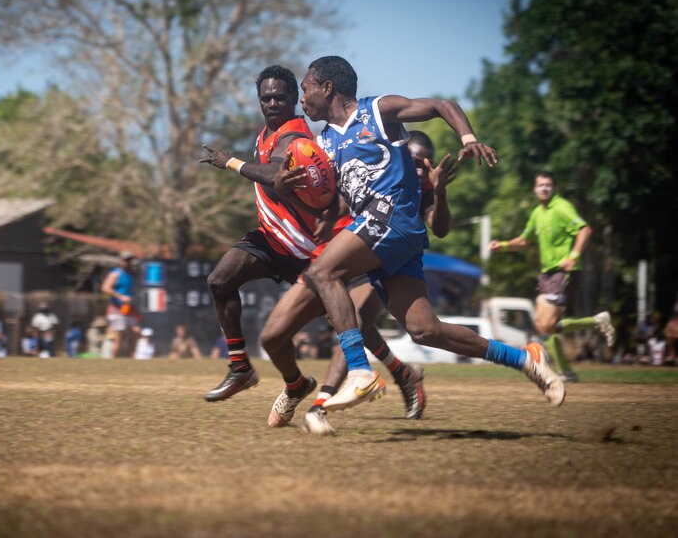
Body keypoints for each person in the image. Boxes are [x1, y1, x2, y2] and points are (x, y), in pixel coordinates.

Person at [287, 55, 565, 413]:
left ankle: (359, 371)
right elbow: (345, 194)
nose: (302, 98)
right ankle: (525, 358)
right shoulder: (323, 143)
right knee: (424, 329)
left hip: (392, 219)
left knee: (324, 272)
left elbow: (440, 104)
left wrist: (468, 137)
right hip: (387, 235)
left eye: (305, 88)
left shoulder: (377, 111)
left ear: (327, 88)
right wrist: (324, 213)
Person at [262, 128, 456, 434]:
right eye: (414, 161)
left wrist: (440, 192)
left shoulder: (424, 190)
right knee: (331, 324)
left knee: (354, 325)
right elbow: (342, 192)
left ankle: (320, 407)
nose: (419, 170)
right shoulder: (380, 168)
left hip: (386, 262)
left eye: (424, 164)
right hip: (348, 251)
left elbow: (440, 226)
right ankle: (403, 372)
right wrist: (323, 211)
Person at [199, 65, 325, 404]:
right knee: (219, 280)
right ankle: (241, 368)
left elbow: (273, 174)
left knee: (352, 326)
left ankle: (401, 373)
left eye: (279, 97)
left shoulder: (295, 135)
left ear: (294, 99)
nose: (272, 103)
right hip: (272, 240)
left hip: (307, 249)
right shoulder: (265, 132)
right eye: (266, 98)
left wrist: (230, 162)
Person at [489, 170, 616, 383]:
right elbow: (524, 240)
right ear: (534, 189)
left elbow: (585, 229)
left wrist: (574, 256)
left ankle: (574, 359)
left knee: (546, 325)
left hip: (564, 272)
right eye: (540, 185)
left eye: (548, 185)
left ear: (554, 188)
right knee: (545, 326)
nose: (544, 188)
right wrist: (501, 246)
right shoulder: (538, 212)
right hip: (547, 275)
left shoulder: (562, 207)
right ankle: (590, 333)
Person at [101, 251, 138, 358]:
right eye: (126, 260)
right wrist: (120, 297)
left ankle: (132, 360)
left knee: (135, 333)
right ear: (120, 261)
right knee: (118, 338)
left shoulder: (130, 275)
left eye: (129, 260)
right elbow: (105, 288)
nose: (128, 262)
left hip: (128, 309)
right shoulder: (115, 273)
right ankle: (113, 362)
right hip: (116, 309)